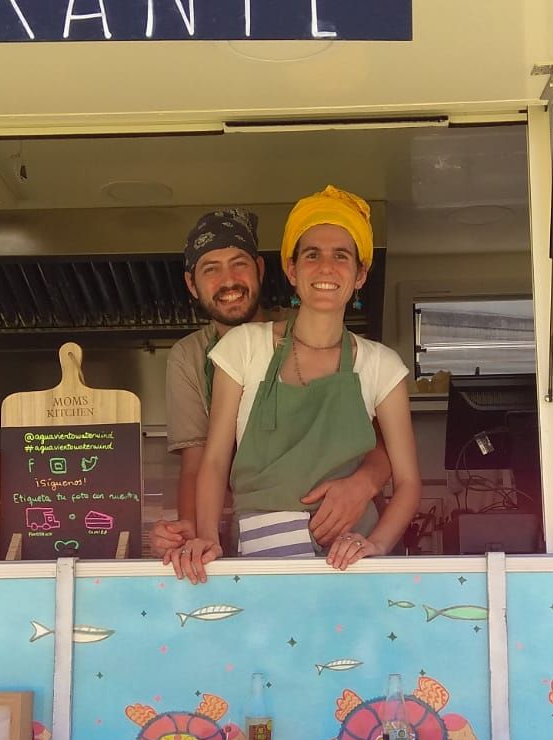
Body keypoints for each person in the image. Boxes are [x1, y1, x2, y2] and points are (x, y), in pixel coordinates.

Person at [170, 186, 420, 584]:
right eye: (312, 255)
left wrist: (377, 545)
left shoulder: (381, 365)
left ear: (360, 275)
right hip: (263, 549)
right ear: (291, 270)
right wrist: (205, 537)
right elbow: (213, 461)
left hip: (350, 558)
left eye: (342, 255)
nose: (325, 268)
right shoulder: (244, 347)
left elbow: (408, 482)